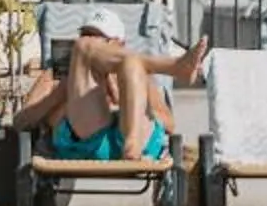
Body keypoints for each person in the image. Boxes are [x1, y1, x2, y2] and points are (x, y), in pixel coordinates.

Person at [12, 9, 206, 164]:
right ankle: (174, 66)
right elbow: (21, 121)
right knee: (120, 59)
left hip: (138, 142)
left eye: (100, 38)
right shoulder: (57, 73)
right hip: (85, 141)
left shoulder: (138, 74)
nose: (91, 41)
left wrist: (127, 102)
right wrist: (61, 93)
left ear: (119, 44)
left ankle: (132, 141)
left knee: (131, 66)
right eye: (86, 35)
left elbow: (169, 124)